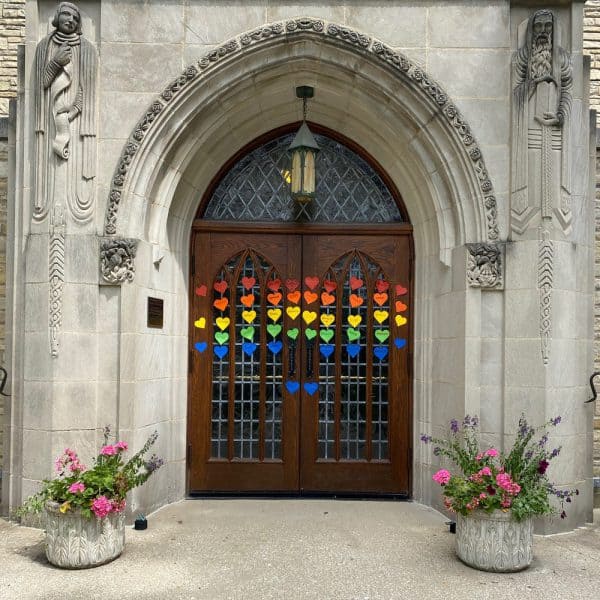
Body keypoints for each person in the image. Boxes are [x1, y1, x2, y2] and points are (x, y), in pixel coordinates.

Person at [33, 1, 97, 222]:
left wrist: (73, 111)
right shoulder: (44, 46)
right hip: (52, 118)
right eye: (66, 15)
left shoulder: (86, 48)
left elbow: (86, 87)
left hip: (71, 117)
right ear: (57, 16)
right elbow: (41, 83)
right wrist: (55, 63)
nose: (71, 20)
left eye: (76, 18)